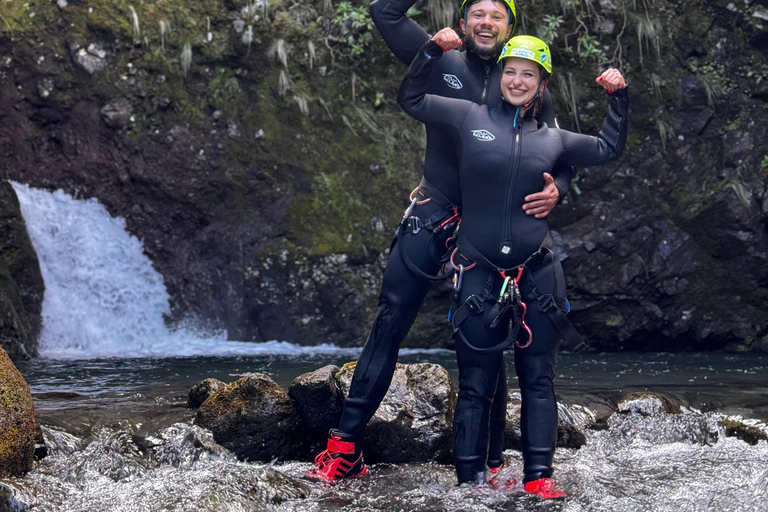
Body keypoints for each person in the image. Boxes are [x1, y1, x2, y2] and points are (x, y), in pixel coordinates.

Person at [309, 0, 575, 484]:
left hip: (490, 229)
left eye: (498, 16)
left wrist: (560, 186)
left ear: (510, 26)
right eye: (479, 13)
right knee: (391, 320)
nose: (487, 23)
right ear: (463, 20)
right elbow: (384, 13)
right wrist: (433, 47)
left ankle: (490, 464)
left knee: (488, 343)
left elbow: (559, 152)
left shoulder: (524, 79)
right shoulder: (444, 60)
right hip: (433, 212)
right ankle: (344, 447)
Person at [397, 34, 628, 497]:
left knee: (538, 378)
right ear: (500, 75)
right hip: (479, 272)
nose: (518, 80)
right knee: (477, 382)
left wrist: (619, 97)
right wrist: (428, 52)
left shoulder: (556, 139)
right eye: (511, 71)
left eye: (529, 74)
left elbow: (607, 148)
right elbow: (413, 98)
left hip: (537, 272)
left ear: (541, 84)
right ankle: (470, 483)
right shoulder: (467, 117)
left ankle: (539, 477)